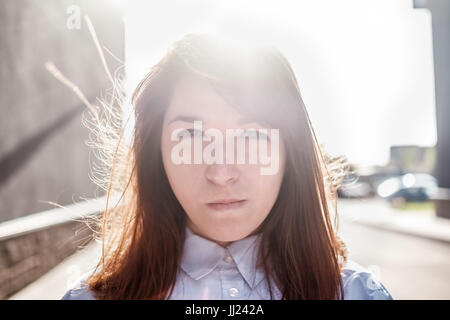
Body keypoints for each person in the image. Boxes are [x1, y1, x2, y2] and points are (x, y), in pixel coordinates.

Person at [61, 33, 393, 300]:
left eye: (251, 135)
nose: (221, 173)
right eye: (191, 135)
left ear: (289, 150)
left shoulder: (358, 294)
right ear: (155, 153)